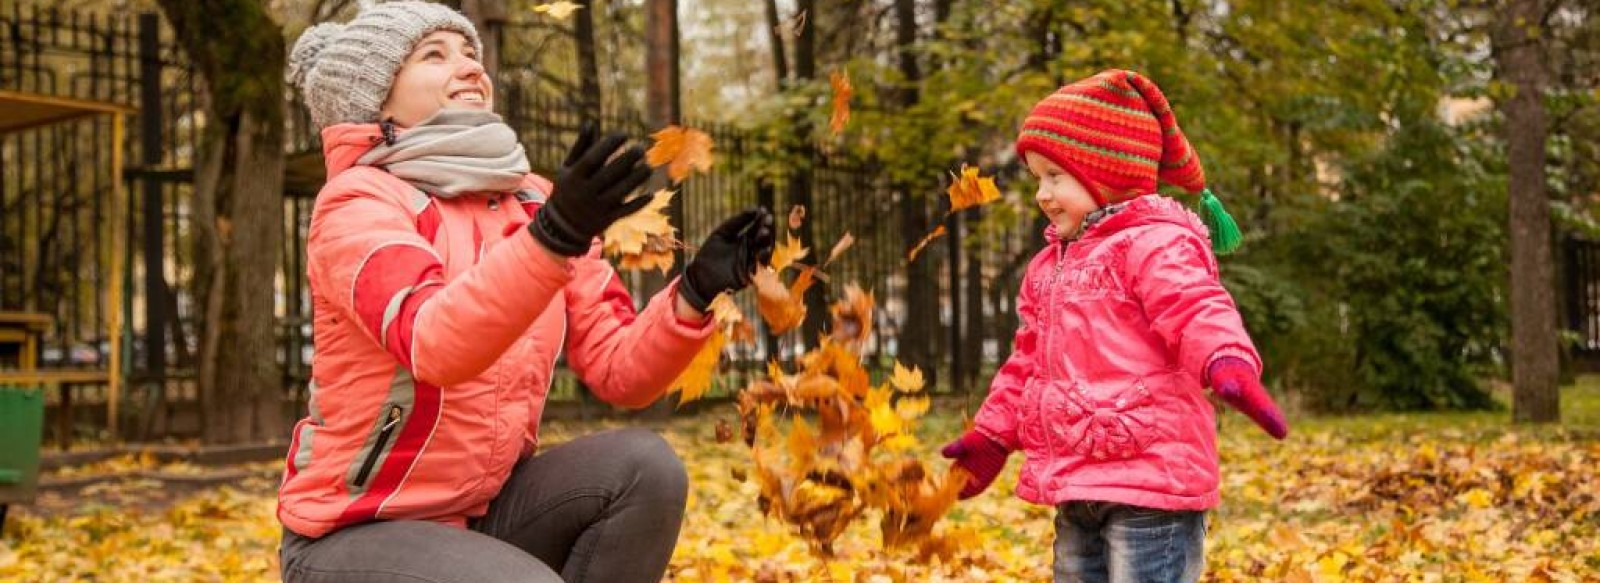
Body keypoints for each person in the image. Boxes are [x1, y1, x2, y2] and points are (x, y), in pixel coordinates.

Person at [275, 3, 774, 581]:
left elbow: (620, 371)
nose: (467, 68)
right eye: (434, 56)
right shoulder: (361, 202)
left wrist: (694, 290)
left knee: (646, 470)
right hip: (355, 531)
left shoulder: (533, 201)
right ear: (377, 102)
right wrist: (553, 238)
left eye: (470, 55)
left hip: (483, 514)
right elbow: (434, 342)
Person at [938, 69, 1289, 583]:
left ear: (1106, 173)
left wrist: (1225, 360)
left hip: (1153, 485)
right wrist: (992, 435)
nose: (1041, 193)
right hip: (1078, 484)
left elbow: (1194, 307)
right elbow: (1027, 362)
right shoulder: (1048, 268)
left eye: (1055, 177)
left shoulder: (1153, 245)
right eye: (1037, 178)